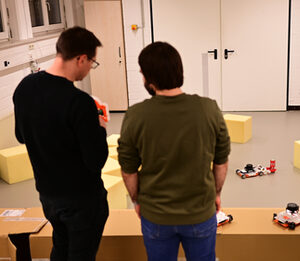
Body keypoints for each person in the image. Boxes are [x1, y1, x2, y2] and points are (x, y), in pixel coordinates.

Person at [117, 41, 230, 261]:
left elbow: (128, 169)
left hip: (156, 215)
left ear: (148, 78)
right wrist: (215, 193)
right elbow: (221, 160)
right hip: (200, 212)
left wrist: (137, 201)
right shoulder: (209, 109)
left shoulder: (136, 115)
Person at [13, 27, 109, 261]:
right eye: (92, 63)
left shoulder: (25, 87)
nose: (89, 70)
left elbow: (20, 136)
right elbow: (95, 160)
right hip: (82, 201)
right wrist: (101, 127)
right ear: (81, 59)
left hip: (48, 195)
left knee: (61, 246)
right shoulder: (79, 102)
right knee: (80, 255)